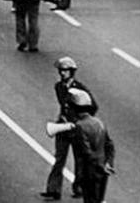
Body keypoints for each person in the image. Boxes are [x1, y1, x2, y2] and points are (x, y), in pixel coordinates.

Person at [41, 57, 97, 201]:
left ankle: (78, 187)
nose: (62, 73)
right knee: (59, 158)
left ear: (71, 72)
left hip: (77, 129)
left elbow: (93, 107)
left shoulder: (80, 88)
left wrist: (81, 120)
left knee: (80, 160)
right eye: (61, 70)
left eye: (65, 70)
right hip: (63, 126)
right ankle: (53, 189)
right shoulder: (59, 87)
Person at [68, 89, 115, 203]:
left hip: (90, 172)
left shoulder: (80, 126)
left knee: (89, 200)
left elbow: (86, 152)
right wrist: (108, 163)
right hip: (103, 170)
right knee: (99, 199)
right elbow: (110, 145)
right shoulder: (99, 122)